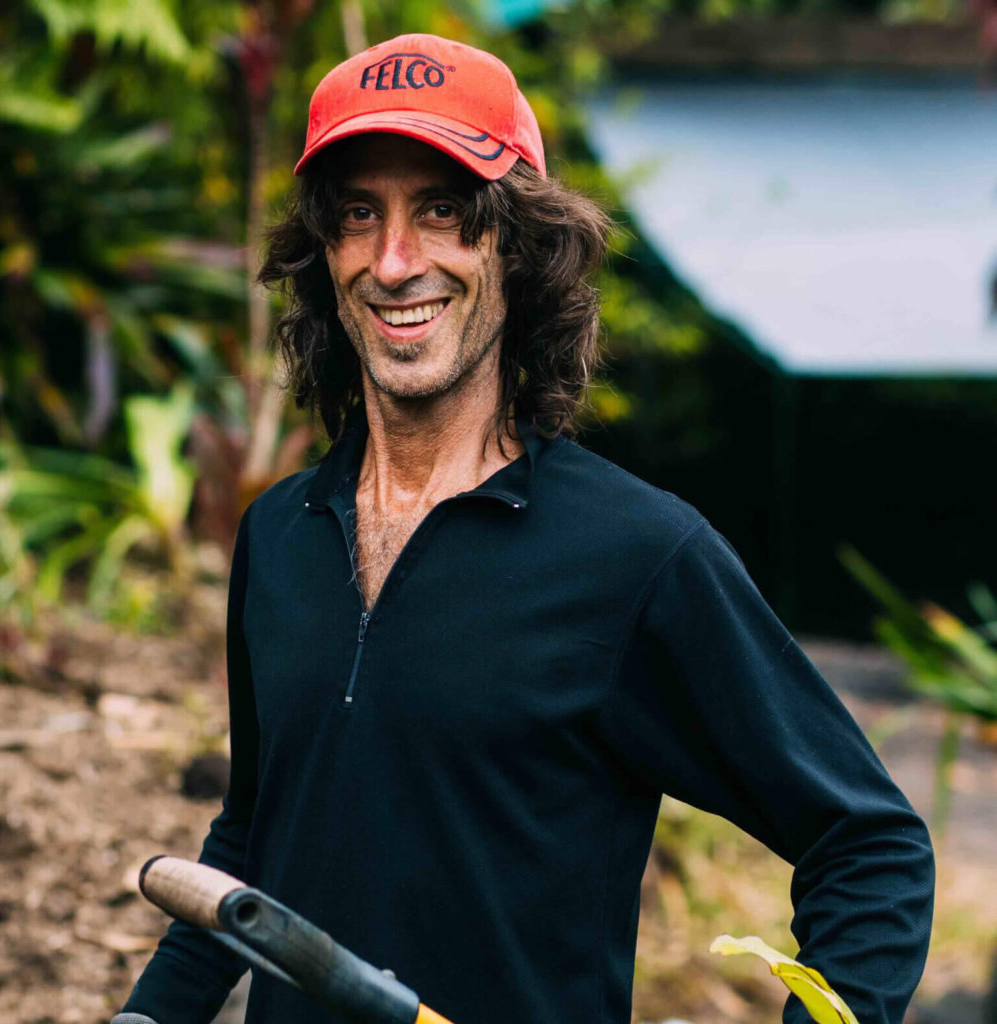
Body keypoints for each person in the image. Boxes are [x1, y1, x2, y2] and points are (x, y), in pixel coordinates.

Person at [113, 33, 934, 1024]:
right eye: (358, 214)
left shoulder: (634, 557)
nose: (396, 260)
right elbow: (256, 838)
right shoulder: (281, 535)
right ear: (323, 254)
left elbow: (869, 845)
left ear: (517, 245)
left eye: (444, 211)